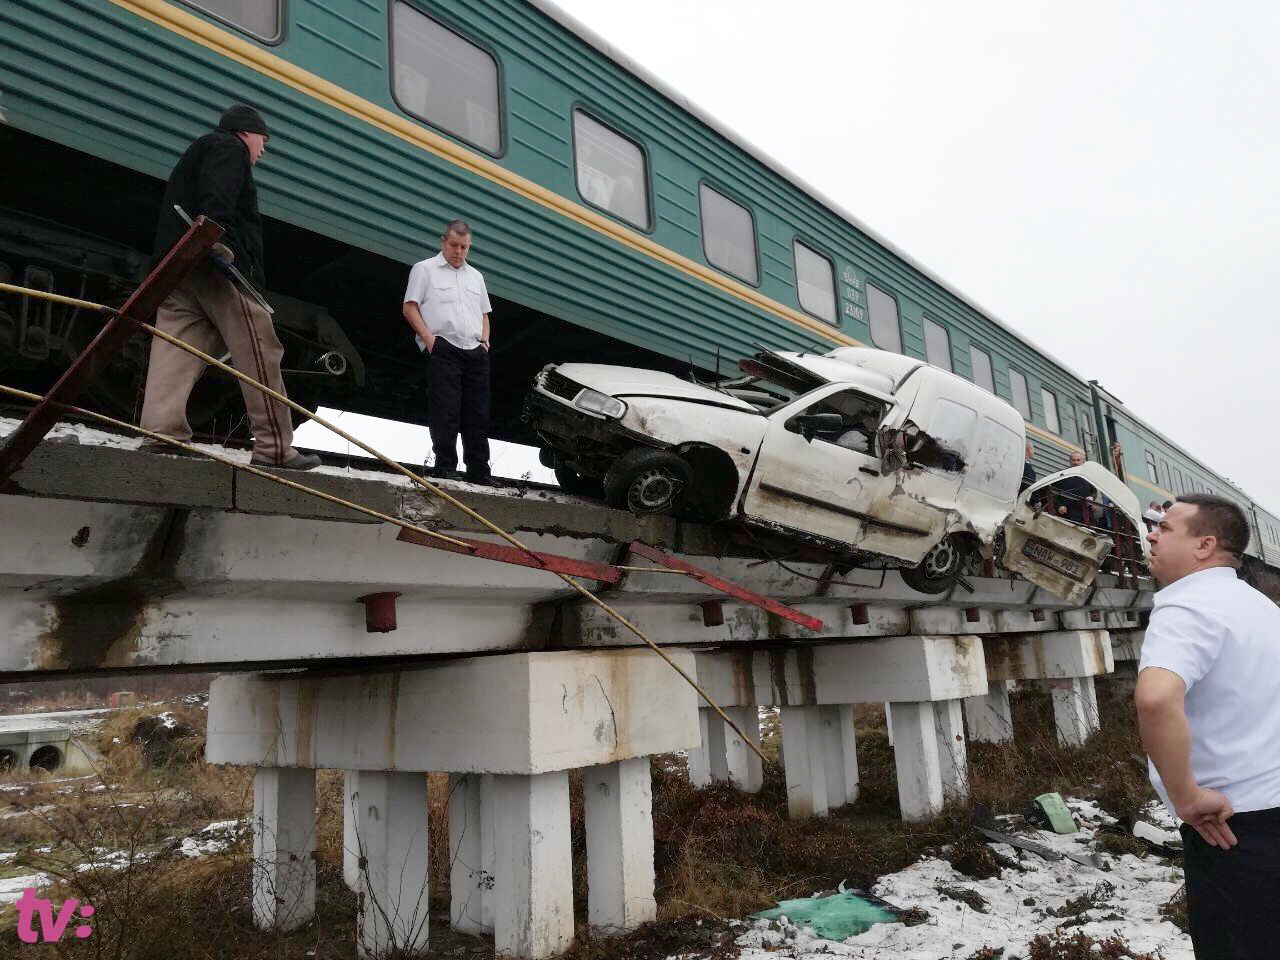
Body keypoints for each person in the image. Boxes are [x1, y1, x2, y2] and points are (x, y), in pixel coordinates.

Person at [1136, 494, 1280, 959]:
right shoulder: (1260, 607)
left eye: (1166, 528)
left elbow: (1156, 699)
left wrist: (1188, 798)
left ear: (1205, 545)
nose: (1151, 534)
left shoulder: (1187, 607)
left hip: (1232, 829)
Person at [139, 104, 319, 470]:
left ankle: (161, 433)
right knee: (260, 345)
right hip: (214, 265)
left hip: (179, 269)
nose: (263, 150)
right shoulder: (228, 148)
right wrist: (216, 240)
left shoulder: (202, 150)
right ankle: (274, 447)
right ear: (245, 133)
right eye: (262, 140)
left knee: (176, 346)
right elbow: (217, 198)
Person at [402, 221, 493, 483]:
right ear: (444, 241)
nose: (458, 251)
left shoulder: (476, 276)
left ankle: (479, 470)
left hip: (475, 350)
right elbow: (409, 307)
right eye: (454, 245)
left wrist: (485, 343)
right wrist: (430, 340)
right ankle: (445, 466)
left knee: (477, 412)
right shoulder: (425, 270)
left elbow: (485, 314)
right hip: (444, 347)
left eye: (464, 247)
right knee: (446, 409)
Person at [1048, 450, 1096, 523]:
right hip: (1066, 515)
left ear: (1083, 461)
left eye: (1078, 460)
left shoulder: (1088, 477)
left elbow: (1094, 491)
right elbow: (1052, 493)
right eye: (1073, 460)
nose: (1076, 462)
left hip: (1085, 516)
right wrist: (1059, 506)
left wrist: (1092, 497)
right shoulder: (1062, 475)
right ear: (1070, 461)